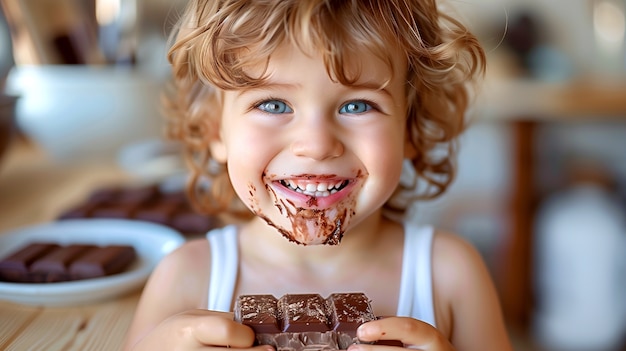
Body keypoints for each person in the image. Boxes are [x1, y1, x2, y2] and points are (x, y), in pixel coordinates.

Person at [123, 1, 513, 350]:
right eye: (273, 104)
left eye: (358, 104)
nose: (316, 144)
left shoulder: (449, 274)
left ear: (411, 130)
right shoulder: (187, 277)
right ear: (214, 130)